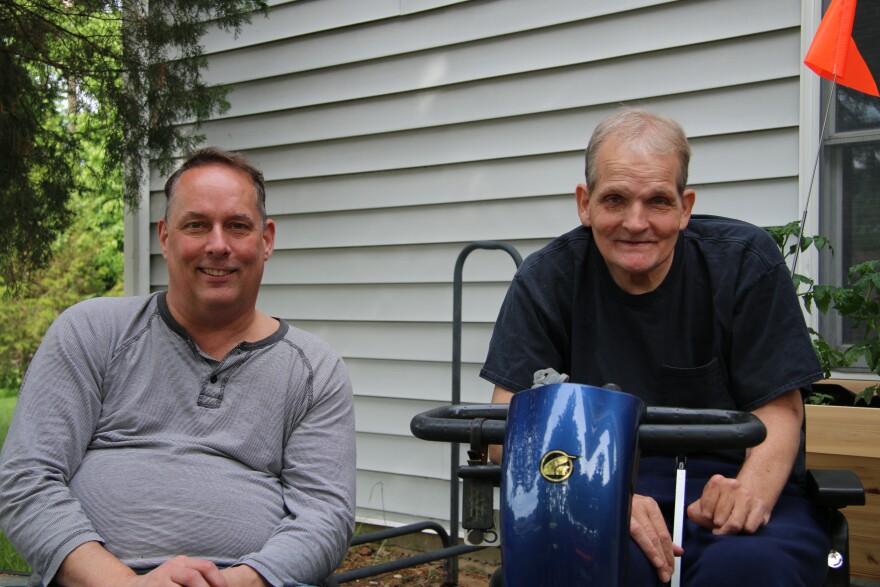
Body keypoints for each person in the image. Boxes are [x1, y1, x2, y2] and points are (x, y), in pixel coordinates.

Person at [481, 109, 830, 585]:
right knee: (580, 568)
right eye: (615, 199)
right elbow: (507, 427)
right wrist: (601, 495)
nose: (636, 222)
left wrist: (749, 491)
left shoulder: (746, 264)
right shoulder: (547, 281)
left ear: (685, 207)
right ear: (585, 204)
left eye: (658, 202)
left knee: (749, 571)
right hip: (598, 488)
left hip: (729, 482)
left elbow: (781, 412)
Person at [0, 148, 356, 587]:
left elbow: (326, 517)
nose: (218, 244)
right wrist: (126, 584)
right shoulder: (92, 331)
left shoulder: (314, 370)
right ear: (165, 237)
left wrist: (235, 583)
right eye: (197, 225)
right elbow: (27, 479)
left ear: (266, 240)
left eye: (238, 226)